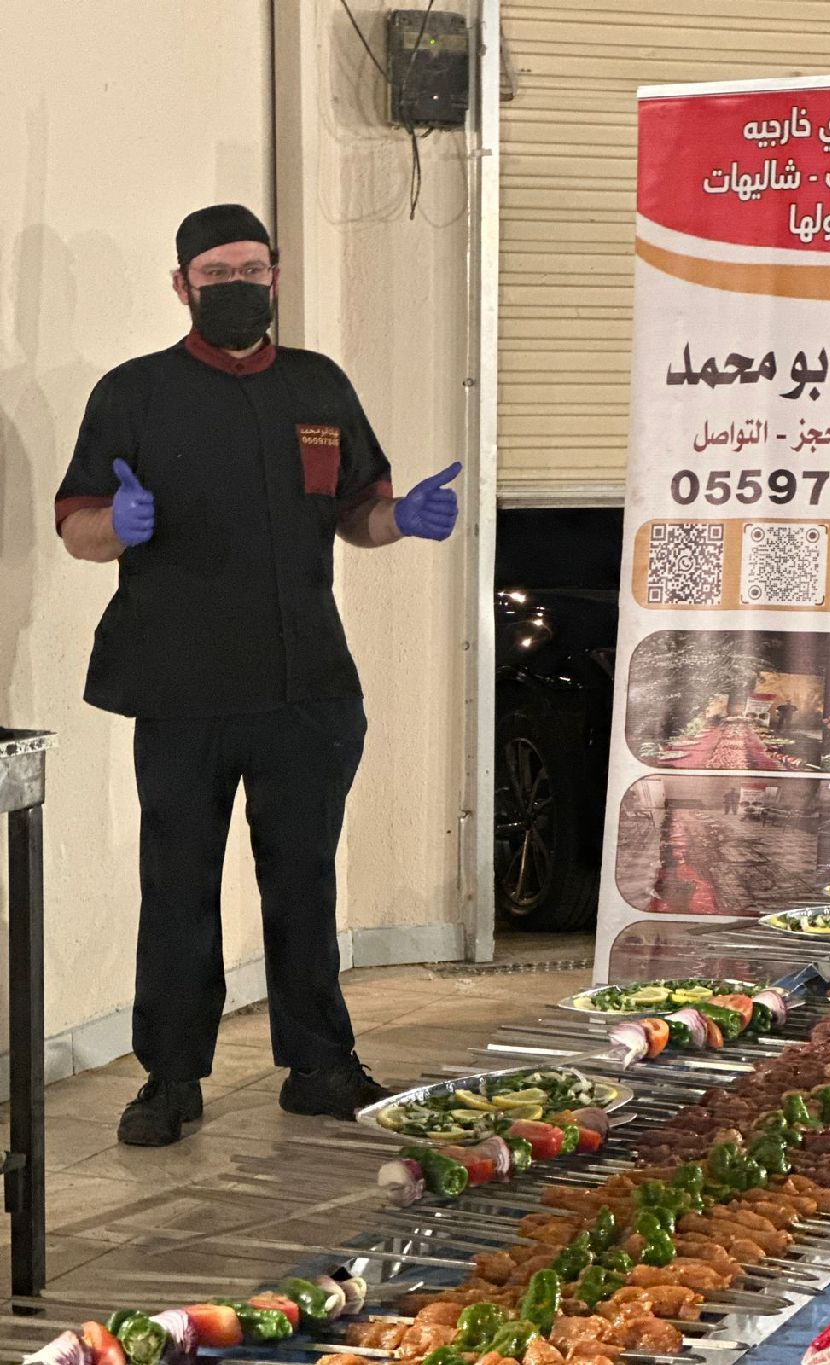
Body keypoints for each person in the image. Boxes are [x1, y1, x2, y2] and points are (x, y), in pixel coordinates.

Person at [54, 204, 461, 1147]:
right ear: (182, 285)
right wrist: (119, 526)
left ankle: (320, 1066)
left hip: (307, 687)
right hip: (179, 690)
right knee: (178, 886)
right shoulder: (134, 392)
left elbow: (359, 511)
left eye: (252, 269)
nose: (237, 285)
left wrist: (403, 518)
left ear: (275, 276)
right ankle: (169, 1078)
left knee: (304, 880)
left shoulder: (318, 387)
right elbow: (76, 526)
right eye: (216, 273)